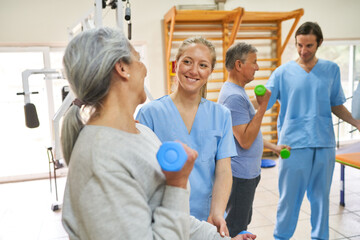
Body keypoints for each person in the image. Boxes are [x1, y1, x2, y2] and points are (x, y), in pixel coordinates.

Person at [60, 27, 256, 240]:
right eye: (138, 59)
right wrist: (177, 184)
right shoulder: (99, 161)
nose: (144, 69)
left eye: (203, 65)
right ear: (122, 68)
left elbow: (166, 212)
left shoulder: (140, 133)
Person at [265, 22, 360, 240]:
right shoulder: (282, 72)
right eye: (299, 45)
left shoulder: (331, 70)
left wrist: (356, 123)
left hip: (324, 144)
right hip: (292, 145)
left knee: (320, 198)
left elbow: (335, 104)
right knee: (289, 198)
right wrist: (236, 103)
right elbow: (264, 103)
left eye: (309, 46)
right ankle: (281, 236)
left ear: (319, 44)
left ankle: (320, 237)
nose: (303, 51)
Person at [136, 36, 237, 236]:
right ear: (176, 65)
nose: (193, 70)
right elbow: (141, 173)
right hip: (164, 216)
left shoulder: (221, 115)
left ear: (210, 72)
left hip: (206, 217)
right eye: (187, 61)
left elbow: (224, 170)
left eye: (203, 65)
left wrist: (217, 212)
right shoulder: (149, 114)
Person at [218, 42, 289, 237]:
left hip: (247, 174)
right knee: (236, 228)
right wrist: (262, 107)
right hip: (240, 176)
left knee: (242, 222)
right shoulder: (233, 97)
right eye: (254, 62)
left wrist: (274, 148)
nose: (257, 67)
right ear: (239, 65)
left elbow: (251, 132)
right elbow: (245, 141)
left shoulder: (238, 92)